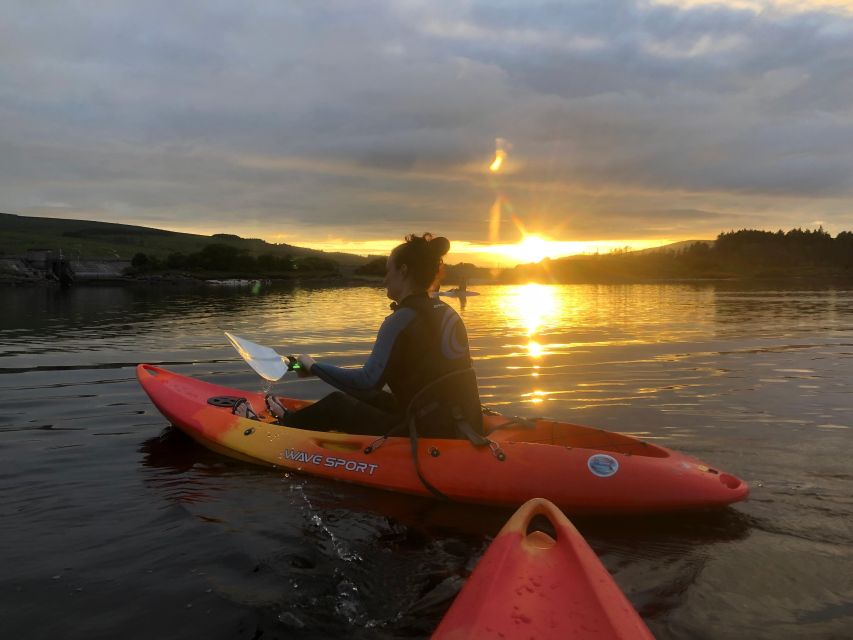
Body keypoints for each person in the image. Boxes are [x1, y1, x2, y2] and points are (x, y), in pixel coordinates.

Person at [263, 233, 481, 437]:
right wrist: (315, 370)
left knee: (337, 404)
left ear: (403, 271)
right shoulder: (446, 312)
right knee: (369, 398)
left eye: (389, 271)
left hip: (424, 430)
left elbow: (367, 383)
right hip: (456, 420)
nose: (385, 280)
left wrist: (314, 367)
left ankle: (281, 429)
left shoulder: (401, 320)